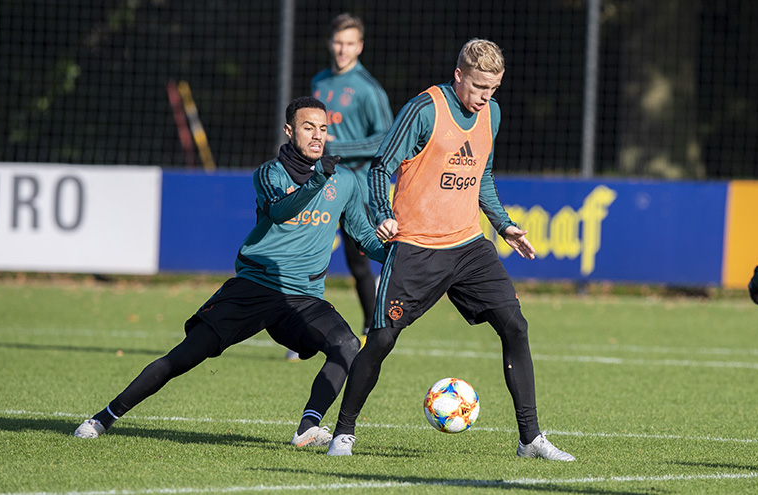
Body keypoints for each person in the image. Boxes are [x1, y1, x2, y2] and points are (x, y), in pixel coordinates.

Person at [73, 96, 387, 447]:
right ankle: (104, 417)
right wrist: (317, 180)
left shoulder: (344, 181)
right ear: (289, 131)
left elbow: (363, 237)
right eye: (308, 127)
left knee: (346, 344)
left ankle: (308, 426)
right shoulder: (269, 173)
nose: (317, 135)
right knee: (184, 357)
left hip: (303, 297)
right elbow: (280, 211)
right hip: (254, 287)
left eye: (323, 128)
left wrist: (397, 254)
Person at [326, 39, 575, 461]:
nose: (485, 97)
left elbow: (483, 175)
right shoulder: (425, 109)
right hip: (418, 246)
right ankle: (343, 433)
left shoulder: (491, 113)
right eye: (478, 87)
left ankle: (530, 439)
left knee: (515, 326)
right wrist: (382, 213)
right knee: (382, 339)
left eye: (493, 89)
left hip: (468, 245)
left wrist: (504, 225)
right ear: (459, 75)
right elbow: (382, 164)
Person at [283, 13, 393, 361]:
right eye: (338, 42)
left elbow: (386, 138)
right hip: (318, 183)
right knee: (304, 255)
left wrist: (338, 148)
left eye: (349, 43)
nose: (343, 49)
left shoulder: (369, 89)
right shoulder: (320, 81)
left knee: (357, 262)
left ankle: (372, 328)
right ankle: (299, 333)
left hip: (354, 186)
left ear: (360, 46)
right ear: (330, 43)